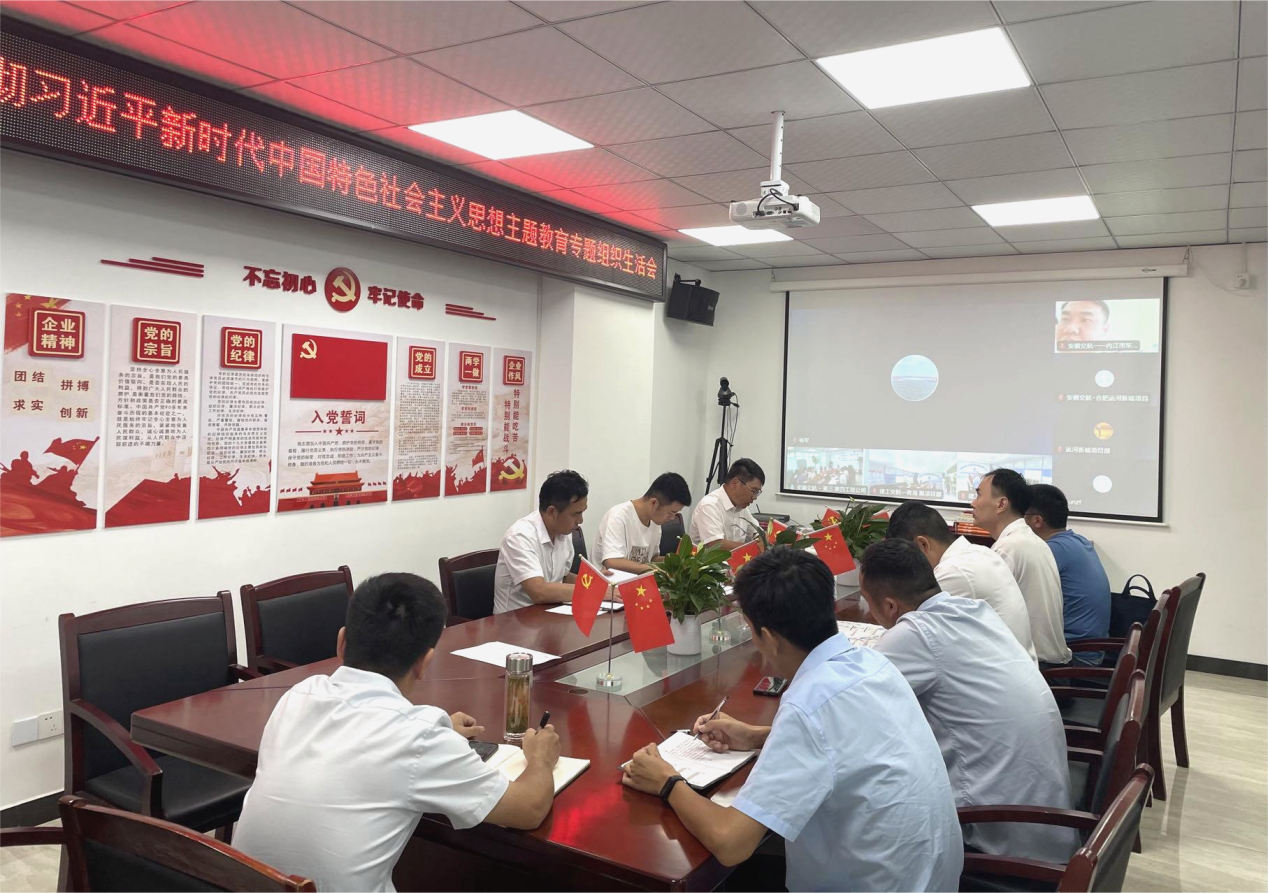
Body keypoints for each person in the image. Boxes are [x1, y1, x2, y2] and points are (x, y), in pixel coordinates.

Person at [622, 548, 962, 893]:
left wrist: (668, 782)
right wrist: (754, 736)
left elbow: (731, 843)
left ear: (768, 638)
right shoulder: (872, 664)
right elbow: (843, 744)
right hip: (931, 878)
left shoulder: (808, 703)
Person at [234, 573, 561, 893]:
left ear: (342, 642)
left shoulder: (298, 696)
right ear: (425, 662)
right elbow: (528, 810)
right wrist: (541, 759)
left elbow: (361, 745)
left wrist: (439, 731)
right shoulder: (419, 737)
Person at [860, 540, 1077, 863]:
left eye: (868, 602)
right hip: (1047, 821)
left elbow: (850, 708)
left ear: (890, 606)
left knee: (862, 811)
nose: (869, 613)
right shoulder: (975, 611)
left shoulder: (916, 634)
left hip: (999, 842)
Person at [886, 501, 1036, 660]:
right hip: (1018, 663)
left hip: (1001, 667)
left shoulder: (953, 571)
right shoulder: (979, 552)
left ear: (923, 544)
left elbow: (908, 631)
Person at [971, 469, 1071, 667]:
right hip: (1051, 665)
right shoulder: (1028, 539)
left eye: (978, 495)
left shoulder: (1009, 548)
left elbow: (986, 614)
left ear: (1001, 504)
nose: (973, 503)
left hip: (1037, 668)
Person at [1025, 484, 1112, 667]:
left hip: (1075, 657)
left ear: (1037, 521)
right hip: (1093, 649)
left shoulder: (1050, 551)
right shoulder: (1078, 541)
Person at [493, 469, 588, 613]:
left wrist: (595, 582)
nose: (580, 520)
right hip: (514, 621)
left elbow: (562, 577)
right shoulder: (520, 536)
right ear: (551, 512)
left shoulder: (563, 532)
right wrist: (594, 592)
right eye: (576, 514)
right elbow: (539, 591)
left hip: (551, 614)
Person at [595, 472, 692, 573]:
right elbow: (612, 562)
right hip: (611, 581)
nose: (672, 518)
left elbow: (651, 559)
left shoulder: (654, 521)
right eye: (671, 512)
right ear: (654, 503)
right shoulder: (618, 517)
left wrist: (678, 562)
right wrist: (660, 570)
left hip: (639, 580)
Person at [689, 458, 764, 550]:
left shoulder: (741, 506)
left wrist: (761, 539)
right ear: (735, 483)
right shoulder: (709, 505)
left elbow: (757, 532)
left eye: (757, 492)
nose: (755, 497)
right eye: (753, 491)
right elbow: (716, 545)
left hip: (736, 558)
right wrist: (753, 548)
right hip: (712, 559)